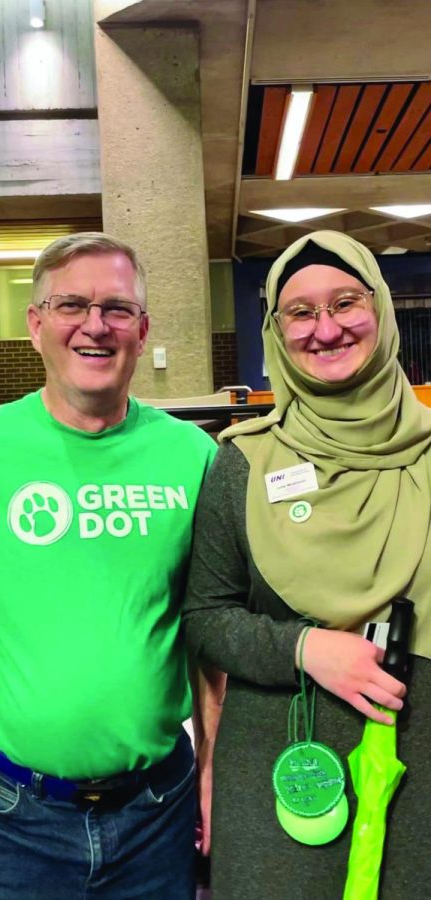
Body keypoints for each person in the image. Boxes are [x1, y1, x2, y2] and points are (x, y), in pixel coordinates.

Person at [0, 232, 217, 899]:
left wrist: (218, 770)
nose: (95, 326)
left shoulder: (194, 459)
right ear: (36, 324)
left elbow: (212, 634)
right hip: (7, 820)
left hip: (156, 813)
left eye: (117, 308)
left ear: (143, 329)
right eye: (71, 305)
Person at [183, 230, 431, 899]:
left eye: (346, 302)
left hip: (422, 773)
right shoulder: (244, 461)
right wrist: (304, 647)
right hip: (281, 776)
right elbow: (204, 619)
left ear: (379, 311)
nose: (326, 329)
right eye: (300, 312)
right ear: (276, 331)